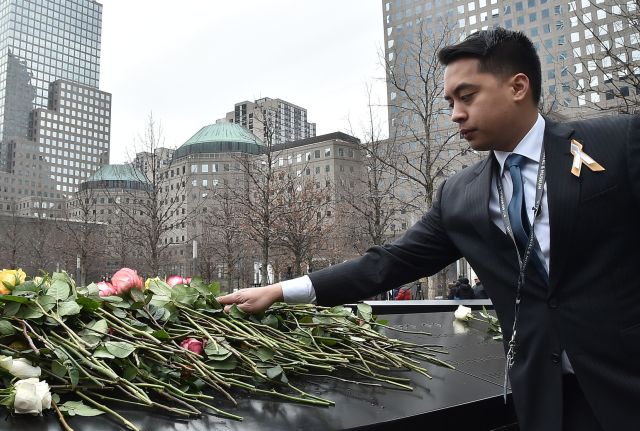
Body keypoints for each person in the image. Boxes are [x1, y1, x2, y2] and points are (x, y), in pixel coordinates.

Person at [218, 27, 639, 431]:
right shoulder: (460, 196)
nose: (456, 114)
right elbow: (390, 262)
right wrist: (281, 291)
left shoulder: (616, 142)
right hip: (547, 404)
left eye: (467, 96)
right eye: (450, 101)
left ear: (517, 86)